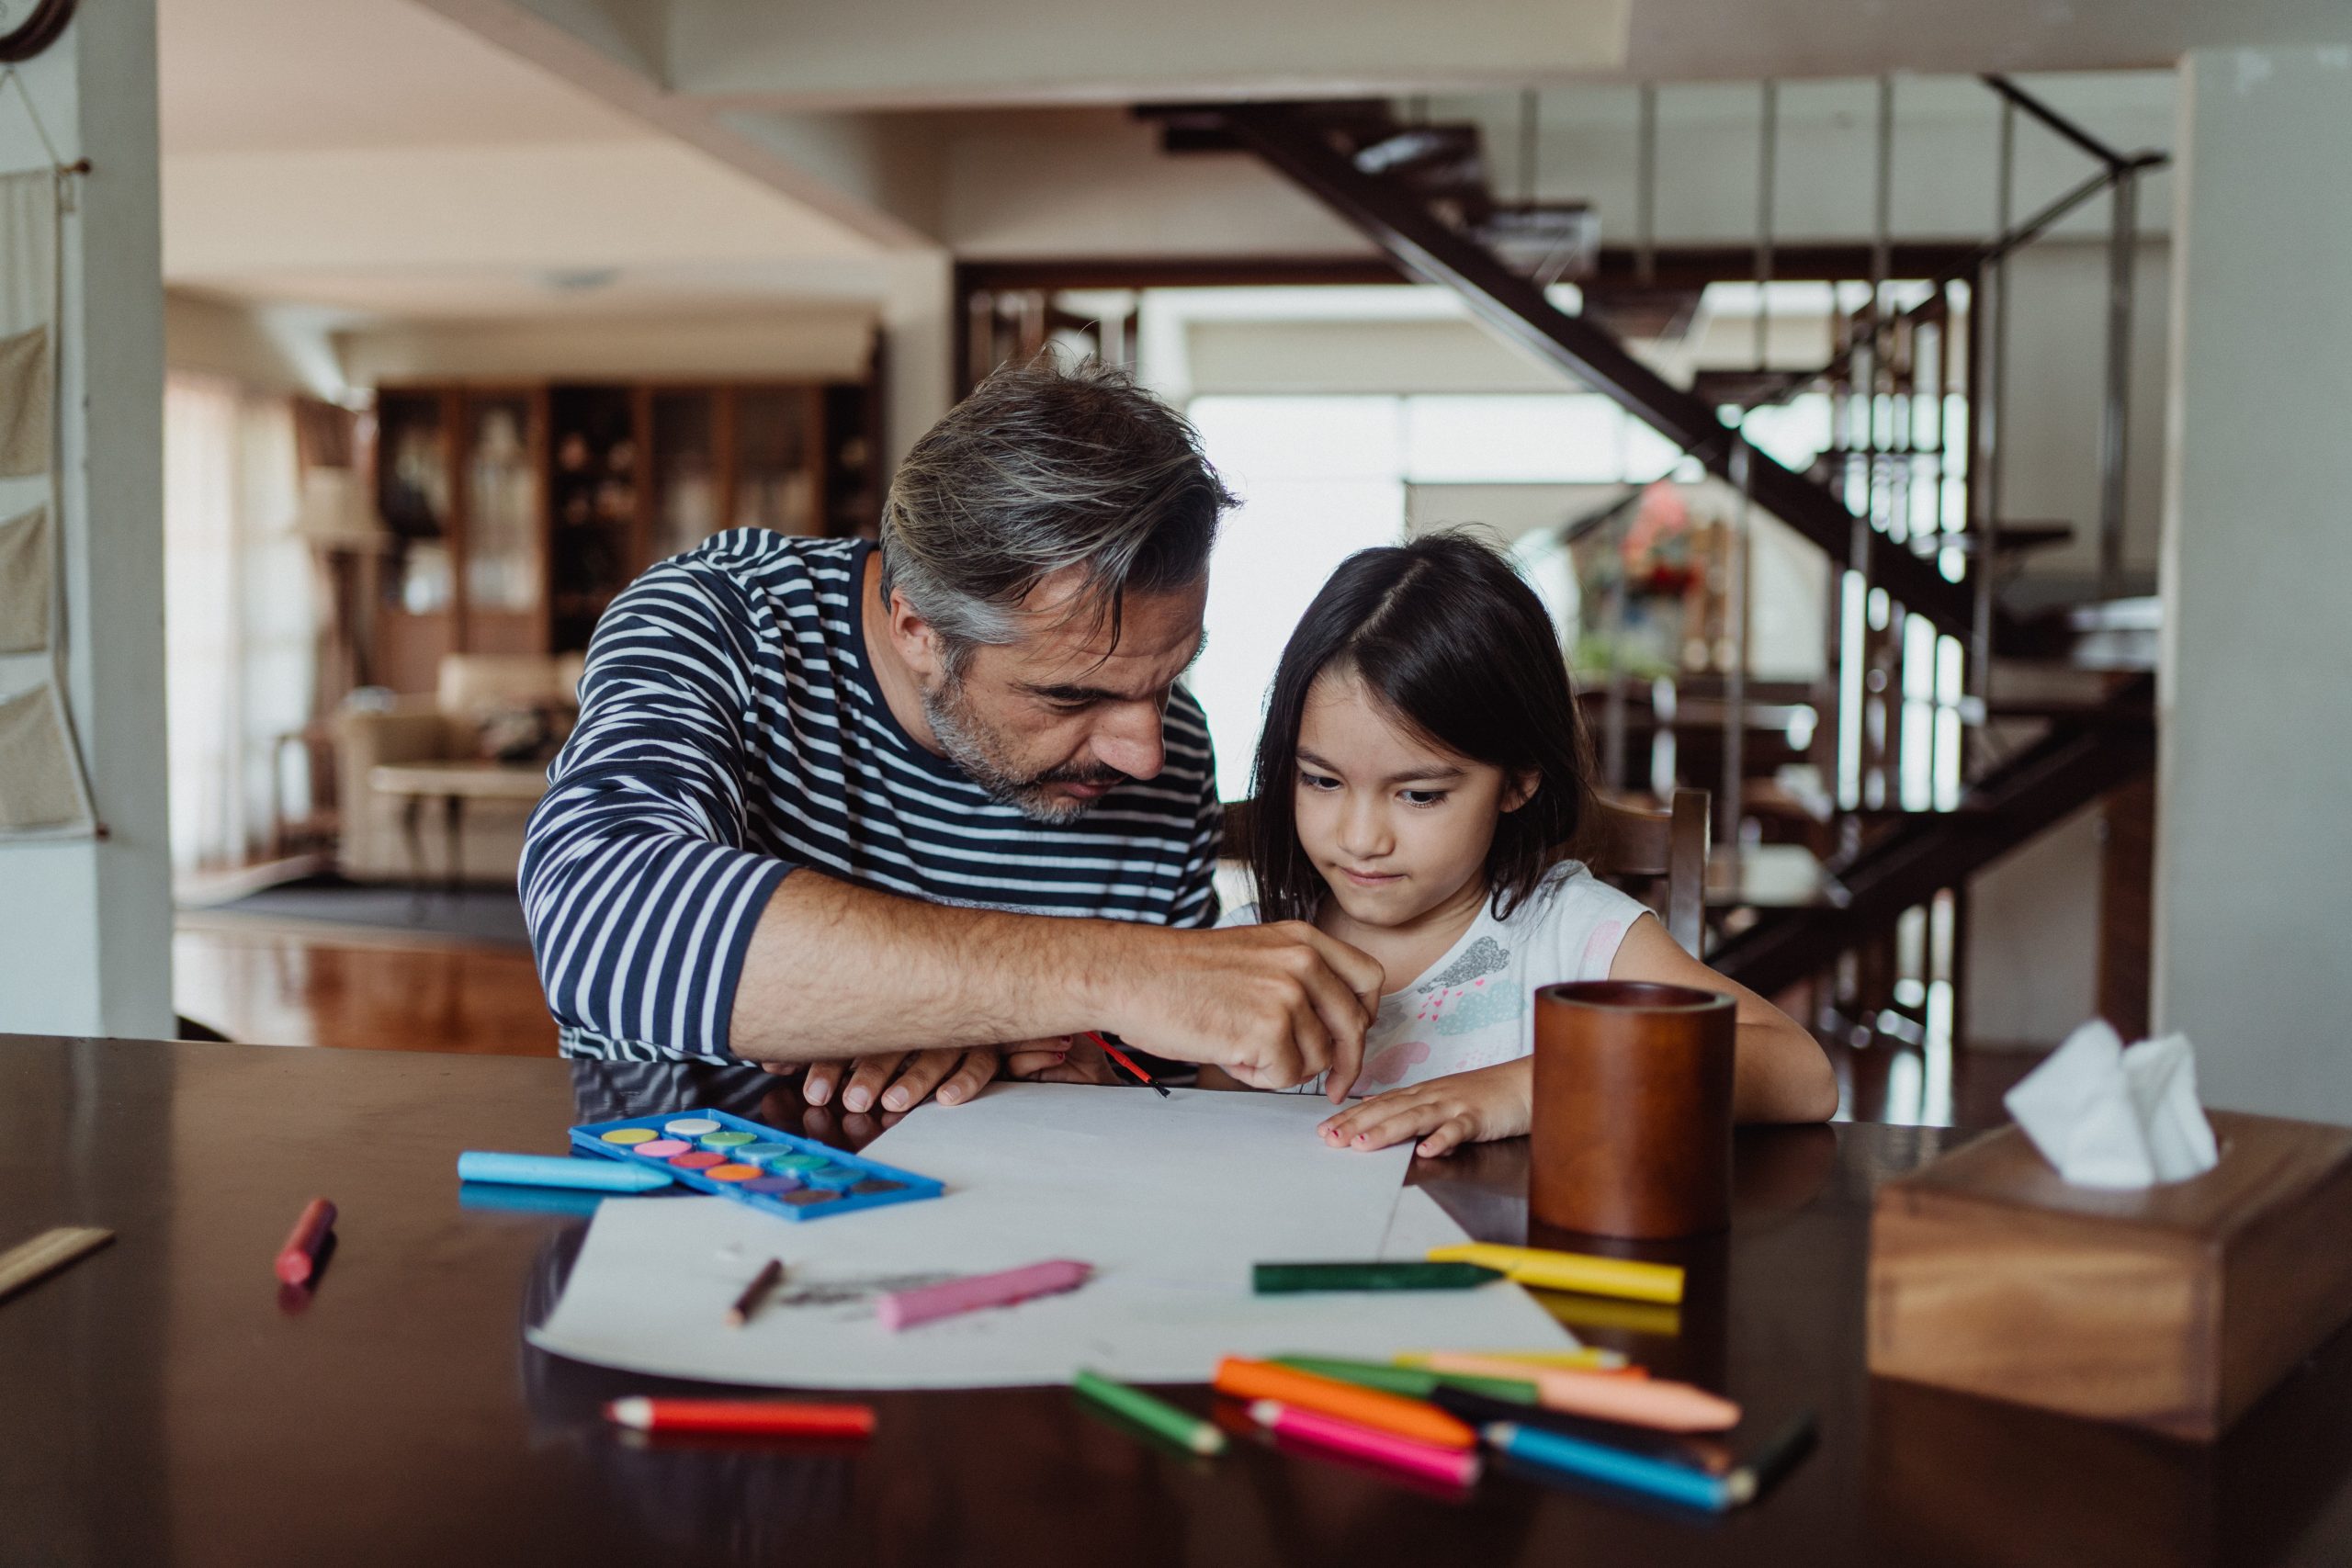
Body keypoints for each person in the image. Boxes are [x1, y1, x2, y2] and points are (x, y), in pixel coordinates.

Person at [520, 357, 1384, 1112]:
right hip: (683, 1230)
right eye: (1069, 694)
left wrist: (1060, 1052)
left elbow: (1150, 1065)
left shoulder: (1166, 743)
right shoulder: (722, 620)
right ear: (917, 628)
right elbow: (601, 921)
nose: (1145, 751)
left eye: (1169, 676)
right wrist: (1113, 973)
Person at [1219, 530, 1838, 1156]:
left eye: (1420, 794)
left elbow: (1801, 1073)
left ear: (1517, 781)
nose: (1360, 838)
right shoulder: (1252, 954)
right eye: (1321, 780)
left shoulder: (1568, 933)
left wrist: (1529, 1088)